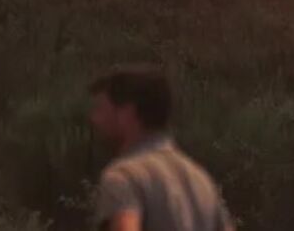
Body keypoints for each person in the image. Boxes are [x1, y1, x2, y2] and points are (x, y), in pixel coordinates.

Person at [88, 64, 235, 231]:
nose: (94, 119)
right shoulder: (201, 180)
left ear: (127, 113)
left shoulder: (124, 177)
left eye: (100, 109)